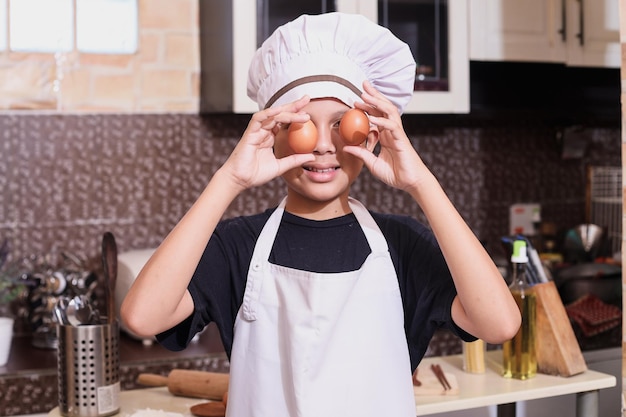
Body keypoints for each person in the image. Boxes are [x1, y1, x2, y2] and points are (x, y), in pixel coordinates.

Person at [121, 12, 520, 417]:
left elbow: (499, 325)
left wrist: (421, 182)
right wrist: (230, 179)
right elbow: (142, 317)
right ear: (272, 135)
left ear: (370, 135)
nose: (323, 147)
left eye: (342, 125)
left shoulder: (403, 244)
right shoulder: (236, 246)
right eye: (302, 126)